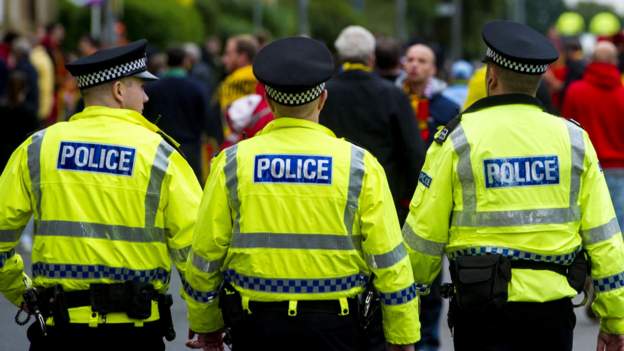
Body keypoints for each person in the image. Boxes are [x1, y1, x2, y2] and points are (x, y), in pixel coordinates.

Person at [184, 36, 420, 351]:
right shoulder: (359, 166)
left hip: (255, 327)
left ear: (267, 99)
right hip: (338, 328)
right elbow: (390, 260)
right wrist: (402, 335)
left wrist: (207, 326)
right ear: (322, 99)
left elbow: (204, 258)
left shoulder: (232, 164)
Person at [403, 20, 624, 351]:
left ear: (491, 75)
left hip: (480, 312)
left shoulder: (458, 139)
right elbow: (605, 238)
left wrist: (404, 313)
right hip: (552, 315)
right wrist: (615, 319)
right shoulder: (574, 140)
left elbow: (423, 237)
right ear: (538, 81)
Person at [0, 39, 202, 350]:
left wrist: (22, 293)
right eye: (141, 87)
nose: (147, 97)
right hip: (136, 333)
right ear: (119, 91)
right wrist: (206, 321)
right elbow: (195, 251)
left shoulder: (38, 148)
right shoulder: (160, 156)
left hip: (58, 331)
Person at [320, 25, 425, 224]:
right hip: (382, 195)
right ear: (371, 58)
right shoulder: (393, 95)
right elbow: (413, 151)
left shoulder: (324, 95)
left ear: (340, 57)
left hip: (332, 193)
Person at [562, 41, 624, 230]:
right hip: (619, 171)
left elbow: (565, 133)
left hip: (583, 169)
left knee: (588, 231)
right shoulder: (622, 94)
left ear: (592, 60)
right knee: (618, 233)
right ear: (614, 62)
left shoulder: (575, 91)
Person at [143, 47, 221, 182]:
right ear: (186, 62)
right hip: (191, 148)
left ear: (166, 62)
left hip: (160, 147)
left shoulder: (152, 88)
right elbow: (207, 118)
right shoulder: (198, 88)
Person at [397, 43, 460, 145]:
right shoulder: (392, 100)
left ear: (433, 69)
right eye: (410, 60)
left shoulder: (450, 108)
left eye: (422, 61)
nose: (414, 65)